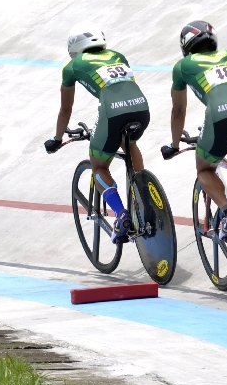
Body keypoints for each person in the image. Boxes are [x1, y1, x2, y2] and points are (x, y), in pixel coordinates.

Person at [44, 22, 149, 244]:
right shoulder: (118, 55)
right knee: (129, 143)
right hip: (141, 108)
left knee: (99, 165)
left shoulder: (72, 66)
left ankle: (121, 215)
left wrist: (57, 139)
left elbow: (66, 109)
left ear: (73, 48)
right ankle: (143, 194)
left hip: (112, 113)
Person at [161, 20, 227, 241]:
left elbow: (179, 110)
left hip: (220, 117)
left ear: (186, 47)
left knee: (204, 169)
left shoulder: (182, 66)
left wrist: (175, 144)